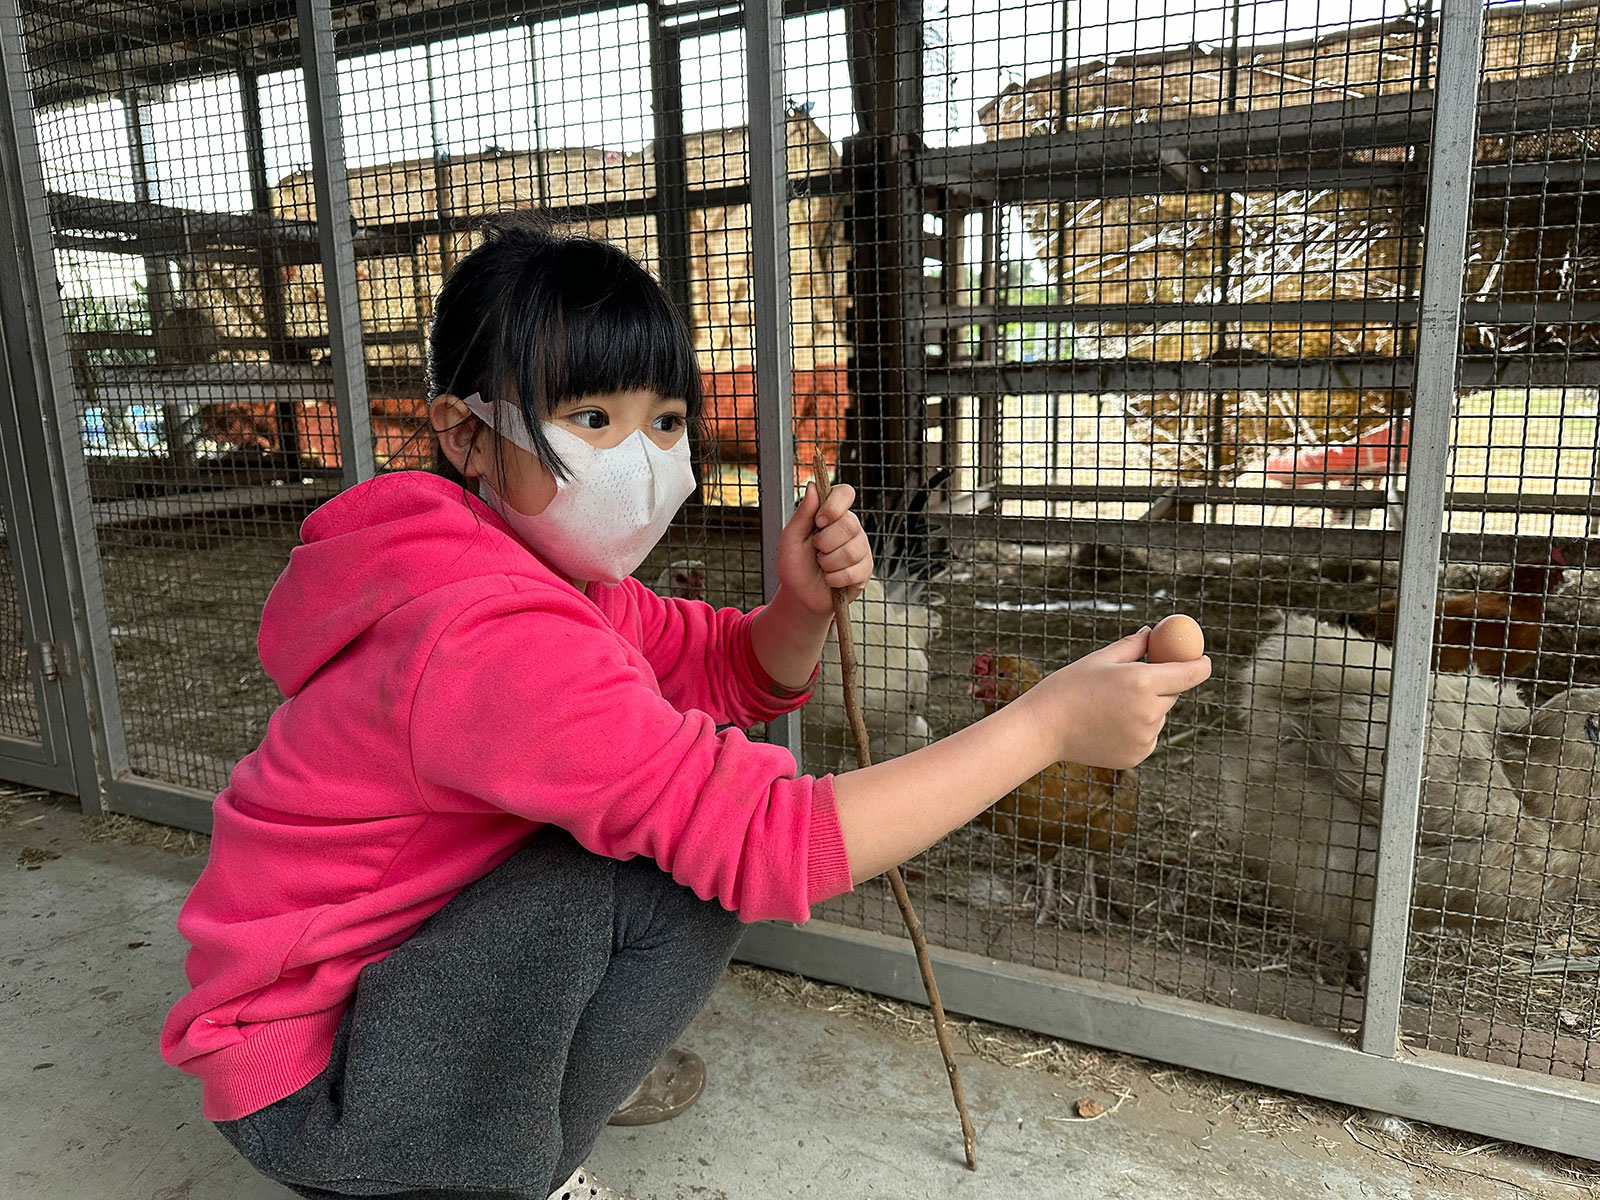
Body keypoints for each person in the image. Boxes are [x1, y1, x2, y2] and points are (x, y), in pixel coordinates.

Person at [160, 212, 1212, 1200]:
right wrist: (1044, 729)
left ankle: (490, 1111)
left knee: (646, 855)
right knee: (679, 877)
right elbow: (767, 843)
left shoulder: (536, 578)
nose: (646, 458)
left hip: (358, 1004)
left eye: (664, 419)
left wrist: (797, 606)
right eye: (590, 417)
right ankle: (466, 1162)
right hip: (312, 1086)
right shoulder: (486, 633)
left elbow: (722, 669)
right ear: (466, 435)